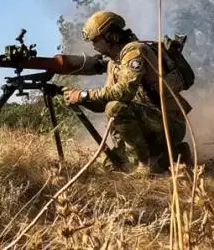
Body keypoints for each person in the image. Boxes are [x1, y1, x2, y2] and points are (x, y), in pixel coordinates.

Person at [61, 10, 193, 173]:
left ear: (110, 36)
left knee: (115, 108)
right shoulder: (113, 63)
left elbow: (124, 92)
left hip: (170, 123)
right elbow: (103, 103)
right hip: (152, 123)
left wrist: (84, 94)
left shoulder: (134, 51)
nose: (93, 45)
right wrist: (78, 99)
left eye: (96, 40)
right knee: (112, 164)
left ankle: (144, 165)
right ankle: (172, 155)